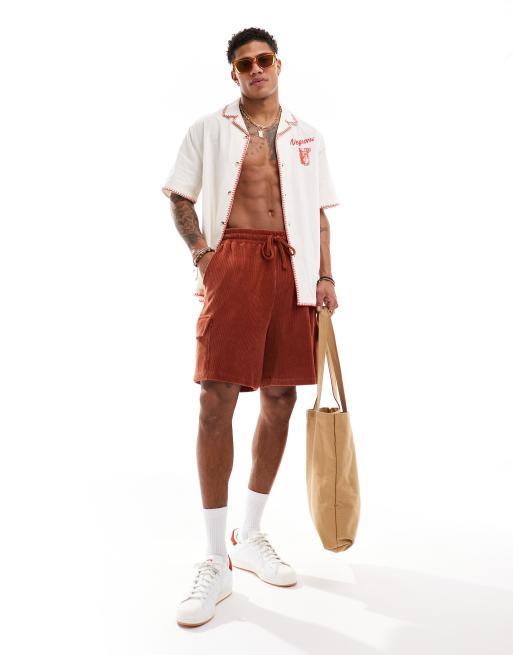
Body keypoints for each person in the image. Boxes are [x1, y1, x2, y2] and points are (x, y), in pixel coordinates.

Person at [161, 27, 340, 628]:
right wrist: (204, 256)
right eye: (245, 63)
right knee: (216, 396)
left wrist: (326, 277)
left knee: (281, 398)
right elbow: (179, 195)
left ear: (278, 65)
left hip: (293, 265)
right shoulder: (208, 128)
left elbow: (319, 214)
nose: (256, 69)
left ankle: (250, 534)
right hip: (232, 257)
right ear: (234, 73)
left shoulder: (307, 135)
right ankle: (215, 557)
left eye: (264, 59)